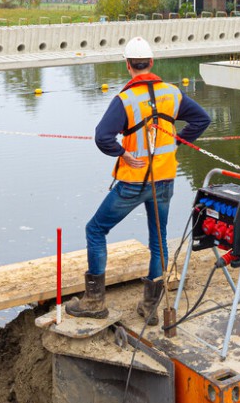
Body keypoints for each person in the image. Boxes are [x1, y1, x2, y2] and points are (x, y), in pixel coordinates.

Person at [65, 37, 210, 325]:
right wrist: (178, 142)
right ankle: (150, 307)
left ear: (128, 65)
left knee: (95, 229)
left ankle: (94, 302)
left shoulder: (126, 99)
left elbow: (102, 137)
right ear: (151, 63)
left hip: (133, 182)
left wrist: (122, 153)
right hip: (164, 180)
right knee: (158, 239)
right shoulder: (172, 93)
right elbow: (202, 119)